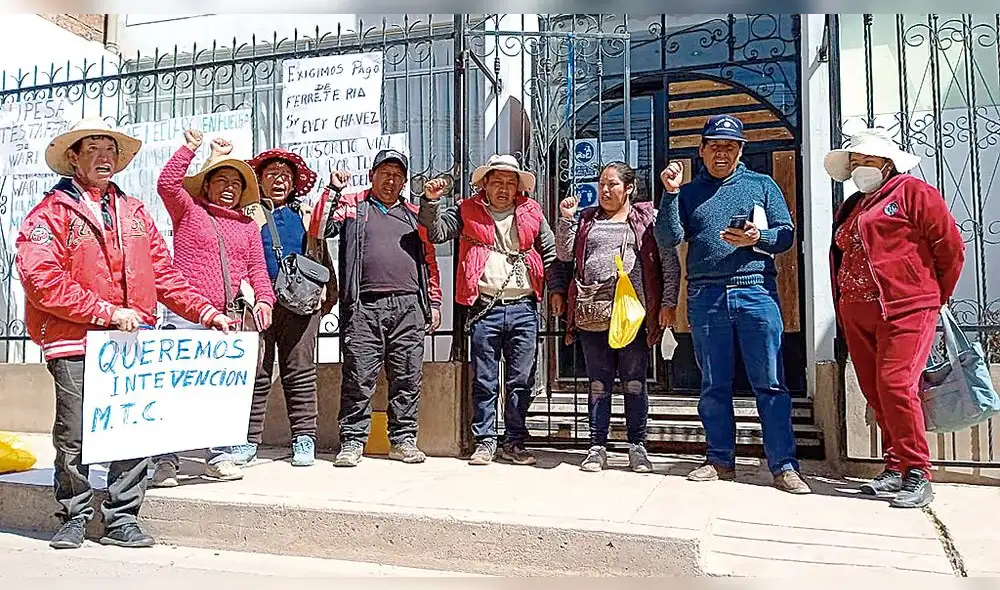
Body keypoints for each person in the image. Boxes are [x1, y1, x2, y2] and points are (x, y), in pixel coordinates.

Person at [16, 118, 232, 550]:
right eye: (92, 148)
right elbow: (41, 279)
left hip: (131, 342)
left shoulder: (134, 211)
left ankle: (122, 519)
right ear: (73, 158)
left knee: (134, 429)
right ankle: (74, 514)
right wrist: (106, 312)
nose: (103, 157)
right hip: (75, 340)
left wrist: (206, 311)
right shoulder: (50, 214)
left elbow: (164, 275)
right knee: (75, 432)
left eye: (110, 149)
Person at [654, 114, 810, 494]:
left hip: (756, 291)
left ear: (741, 150)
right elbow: (668, 235)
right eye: (714, 145)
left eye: (730, 146)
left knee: (771, 383)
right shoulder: (688, 192)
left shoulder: (762, 184)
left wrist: (760, 236)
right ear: (702, 150)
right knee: (713, 384)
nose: (721, 152)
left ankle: (784, 466)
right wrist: (671, 193)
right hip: (706, 296)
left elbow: (786, 235)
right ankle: (719, 459)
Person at [825, 128, 965, 508]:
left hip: (906, 308)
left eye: (864, 160)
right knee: (875, 390)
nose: (857, 167)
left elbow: (949, 247)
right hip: (857, 311)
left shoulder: (914, 193)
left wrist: (933, 297)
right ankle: (894, 466)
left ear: (886, 162)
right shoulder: (853, 204)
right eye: (853, 162)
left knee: (896, 385)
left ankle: (918, 471)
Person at [149, 129, 275, 487]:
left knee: (221, 393)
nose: (229, 187)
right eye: (221, 179)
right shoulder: (187, 211)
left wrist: (265, 300)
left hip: (227, 321)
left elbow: (258, 272)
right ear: (205, 185)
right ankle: (166, 461)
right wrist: (192, 149)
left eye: (236, 182)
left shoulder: (250, 227)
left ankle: (218, 456)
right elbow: (167, 184)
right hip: (183, 316)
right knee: (174, 391)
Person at [418, 154, 559, 466]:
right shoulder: (467, 209)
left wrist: (557, 291)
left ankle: (515, 441)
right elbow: (437, 232)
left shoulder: (531, 211)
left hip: (523, 307)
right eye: (497, 182)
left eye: (510, 183)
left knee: (520, 379)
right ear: (485, 185)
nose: (504, 189)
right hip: (485, 308)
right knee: (484, 379)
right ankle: (485, 441)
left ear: (518, 187)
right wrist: (430, 202)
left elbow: (549, 251)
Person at [308, 149, 442, 467]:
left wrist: (433, 302)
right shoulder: (354, 208)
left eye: (397, 175)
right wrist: (332, 190)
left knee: (407, 377)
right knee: (358, 376)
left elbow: (430, 260)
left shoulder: (414, 214)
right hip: (363, 306)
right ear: (372, 176)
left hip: (409, 306)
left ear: (404, 181)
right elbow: (318, 228)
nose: (390, 180)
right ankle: (352, 441)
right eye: (384, 173)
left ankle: (404, 440)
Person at [553, 161, 679, 473]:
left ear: (629, 188)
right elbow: (565, 254)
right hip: (593, 313)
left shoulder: (647, 220)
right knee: (598, 383)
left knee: (634, 382)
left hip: (632, 316)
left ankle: (637, 446)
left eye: (613, 184)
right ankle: (597, 447)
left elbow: (669, 262)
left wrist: (668, 302)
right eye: (602, 184)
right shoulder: (587, 219)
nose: (606, 190)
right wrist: (566, 219)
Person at [232, 148, 339, 468]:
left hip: (301, 303)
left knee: (300, 371)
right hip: (257, 303)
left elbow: (322, 236)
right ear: (260, 181)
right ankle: (247, 439)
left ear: (294, 184)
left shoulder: (306, 214)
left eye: (285, 177)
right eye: (272, 176)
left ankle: (304, 438)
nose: (279, 181)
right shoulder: (245, 214)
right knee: (256, 373)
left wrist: (332, 190)